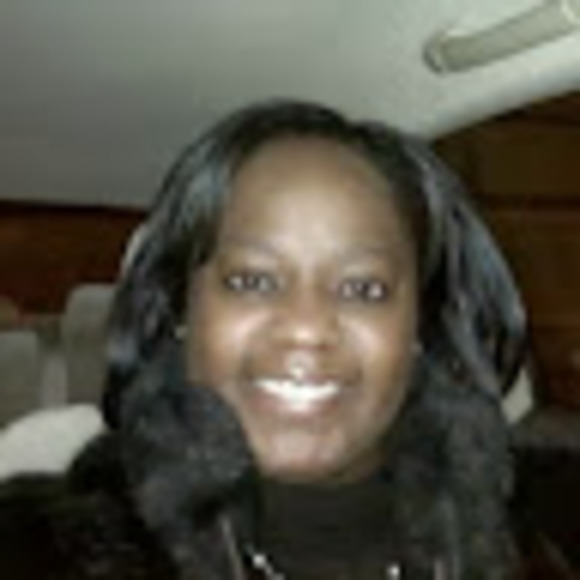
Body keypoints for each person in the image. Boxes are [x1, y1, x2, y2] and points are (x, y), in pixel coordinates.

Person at [0, 100, 553, 579]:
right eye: (252, 281)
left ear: (420, 327)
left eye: (363, 288)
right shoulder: (36, 551)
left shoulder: (551, 534)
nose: (306, 327)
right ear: (180, 309)